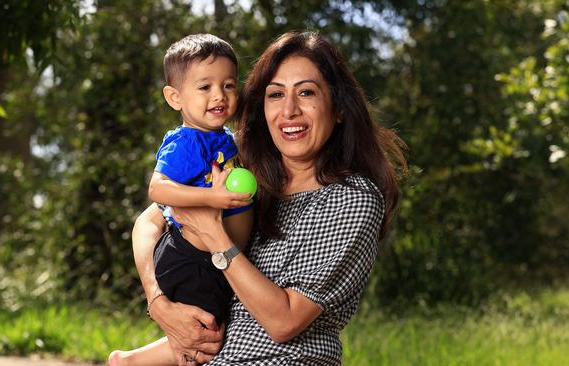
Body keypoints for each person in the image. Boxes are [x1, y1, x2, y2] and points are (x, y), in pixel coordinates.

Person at [119, 31, 406, 365]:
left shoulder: (352, 198)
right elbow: (148, 222)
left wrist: (215, 236)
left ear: (338, 108)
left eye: (307, 92)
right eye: (275, 94)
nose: (289, 110)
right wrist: (158, 302)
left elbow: (283, 322)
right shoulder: (242, 168)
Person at [108, 33, 253, 366]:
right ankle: (127, 362)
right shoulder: (187, 141)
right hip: (191, 259)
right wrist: (211, 196)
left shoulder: (224, 138)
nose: (219, 95)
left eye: (228, 85)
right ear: (175, 98)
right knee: (206, 334)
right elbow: (158, 189)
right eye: (205, 87)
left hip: (212, 259)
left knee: (210, 330)